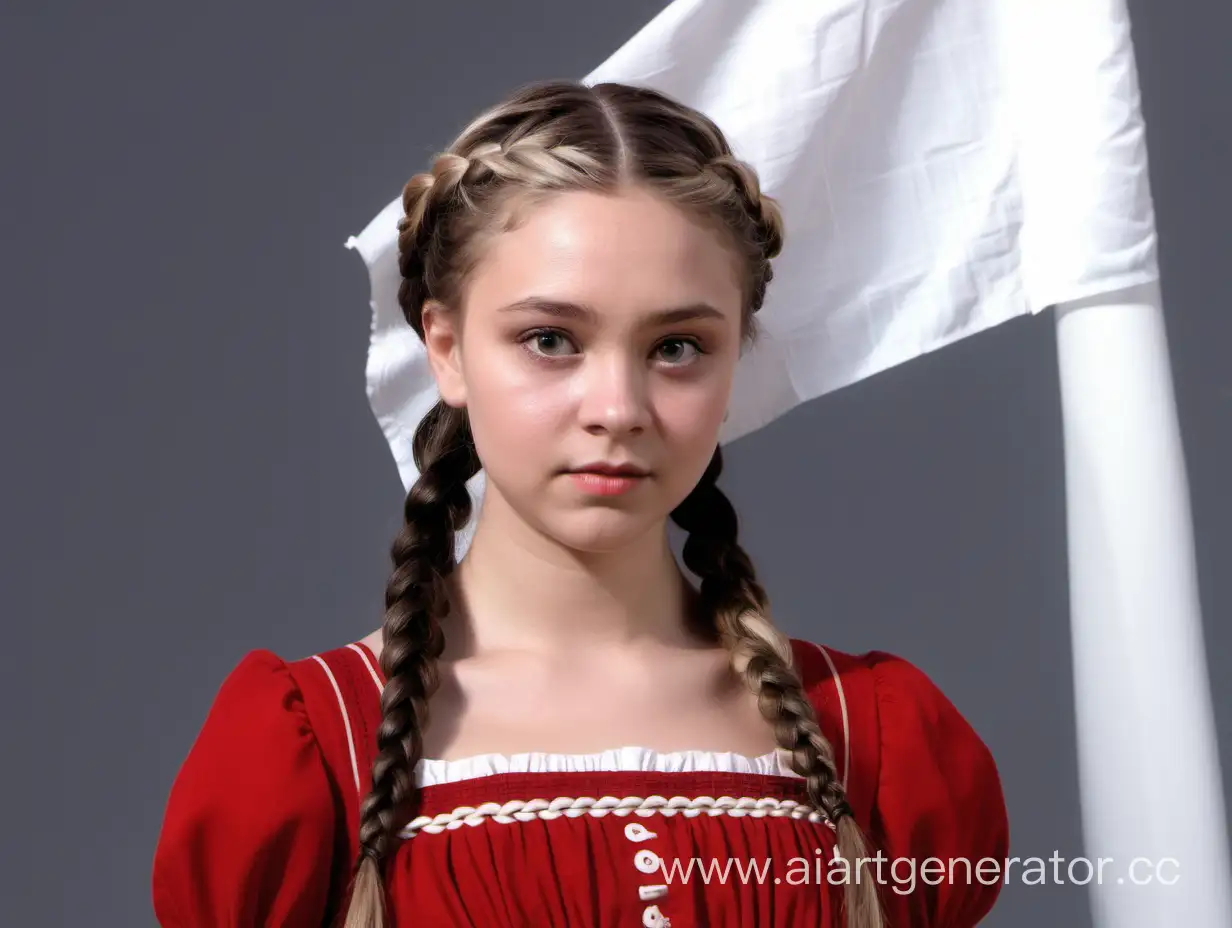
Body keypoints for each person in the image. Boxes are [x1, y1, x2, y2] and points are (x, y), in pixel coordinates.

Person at [151, 79, 1009, 928]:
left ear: (734, 358)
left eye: (677, 347)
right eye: (550, 340)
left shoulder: (877, 743)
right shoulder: (313, 753)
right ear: (445, 350)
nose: (618, 407)